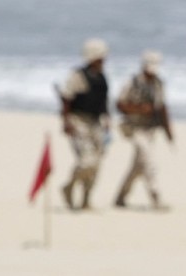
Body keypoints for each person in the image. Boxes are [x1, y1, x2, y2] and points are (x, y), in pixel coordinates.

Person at [115, 50, 173, 209]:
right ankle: (156, 197)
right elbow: (119, 105)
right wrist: (140, 109)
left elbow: (162, 108)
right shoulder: (132, 82)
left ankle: (121, 196)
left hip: (150, 130)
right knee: (149, 162)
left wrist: (169, 133)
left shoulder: (158, 84)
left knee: (138, 166)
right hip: (133, 128)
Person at [58, 38, 110, 210]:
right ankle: (69, 186)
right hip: (78, 120)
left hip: (96, 123)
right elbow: (66, 99)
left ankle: (86, 199)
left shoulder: (102, 78)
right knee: (87, 161)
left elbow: (104, 102)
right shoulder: (78, 76)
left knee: (97, 164)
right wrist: (66, 122)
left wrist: (107, 121)